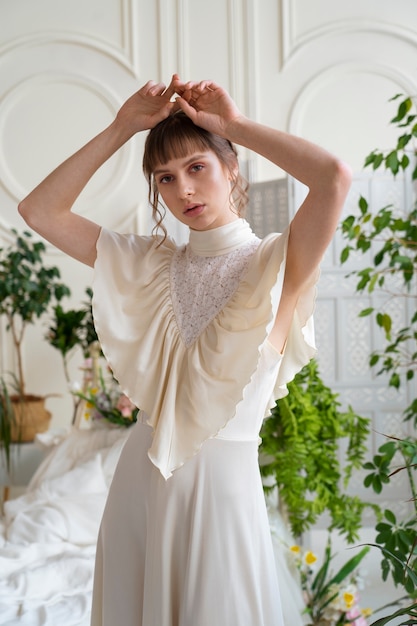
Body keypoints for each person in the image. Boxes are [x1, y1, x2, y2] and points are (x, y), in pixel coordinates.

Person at [18, 74, 352, 626]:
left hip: (222, 497)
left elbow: (333, 178)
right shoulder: (149, 266)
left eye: (197, 167)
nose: (184, 191)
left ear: (231, 169)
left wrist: (236, 126)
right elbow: (40, 211)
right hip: (140, 487)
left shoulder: (275, 264)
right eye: (165, 178)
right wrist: (122, 127)